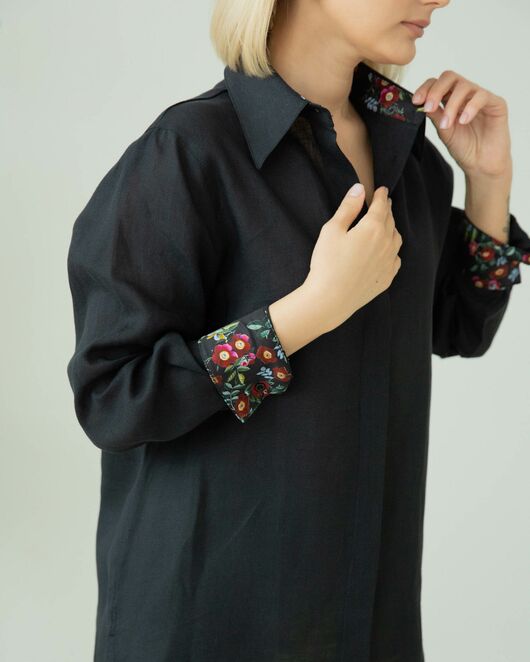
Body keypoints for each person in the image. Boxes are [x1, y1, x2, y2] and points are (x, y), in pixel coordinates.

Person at [66, 1, 530, 660]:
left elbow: (459, 327)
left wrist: (488, 182)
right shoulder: (189, 151)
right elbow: (113, 396)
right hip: (209, 629)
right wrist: (307, 313)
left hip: (367, 622)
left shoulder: (411, 159)